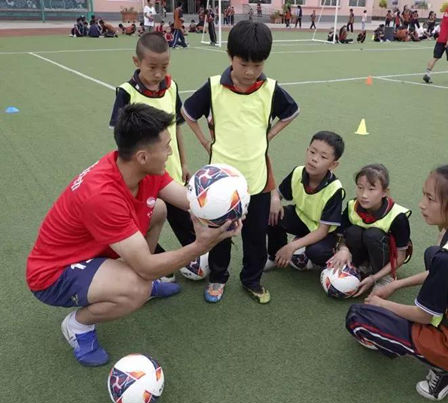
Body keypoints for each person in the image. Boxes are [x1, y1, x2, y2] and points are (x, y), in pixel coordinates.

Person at [26, 104, 241, 366]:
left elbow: (189, 200)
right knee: (138, 287)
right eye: (166, 146)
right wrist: (200, 246)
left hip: (91, 252)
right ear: (142, 156)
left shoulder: (135, 166)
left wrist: (225, 214)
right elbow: (149, 268)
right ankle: (78, 325)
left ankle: (127, 279)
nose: (170, 151)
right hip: (53, 273)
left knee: (158, 209)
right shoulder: (102, 196)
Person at [346, 164, 448, 401]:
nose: (421, 204)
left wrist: (380, 304)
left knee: (358, 317)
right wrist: (395, 285)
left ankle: (447, 369)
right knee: (432, 253)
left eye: (430, 198)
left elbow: (423, 315)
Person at [183, 21, 299, 304]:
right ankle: (218, 277)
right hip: (221, 185)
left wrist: (268, 135)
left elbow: (292, 112)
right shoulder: (213, 87)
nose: (249, 72)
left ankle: (251, 279)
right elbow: (187, 112)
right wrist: (204, 141)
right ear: (230, 56)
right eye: (243, 63)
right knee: (221, 235)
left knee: (256, 237)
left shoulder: (271, 89)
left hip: (257, 181)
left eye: (257, 65)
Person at [109, 32, 194, 283]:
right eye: (152, 67)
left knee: (185, 223)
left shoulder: (172, 86)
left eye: (164, 67)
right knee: (142, 225)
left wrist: (185, 162)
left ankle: (196, 258)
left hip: (172, 174)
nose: (158, 74)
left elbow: (176, 127)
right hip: (143, 178)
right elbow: (122, 139)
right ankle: (151, 265)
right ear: (137, 62)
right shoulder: (126, 93)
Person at [328, 164, 412, 296]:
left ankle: (385, 277)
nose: (364, 195)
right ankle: (362, 266)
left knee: (372, 234)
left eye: (371, 189)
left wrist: (375, 277)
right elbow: (340, 235)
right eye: (360, 188)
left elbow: (400, 257)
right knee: (353, 231)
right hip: (362, 251)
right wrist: (343, 249)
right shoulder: (352, 206)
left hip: (385, 257)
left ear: (385, 192)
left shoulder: (398, 216)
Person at [266, 132, 345, 271]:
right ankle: (275, 256)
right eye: (312, 152)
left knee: (316, 252)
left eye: (323, 156)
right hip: (301, 218)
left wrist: (292, 246)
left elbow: (322, 231)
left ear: (333, 165)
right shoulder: (298, 172)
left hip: (324, 232)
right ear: (306, 150)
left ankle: (314, 252)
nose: (314, 159)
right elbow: (277, 194)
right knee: (270, 212)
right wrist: (274, 198)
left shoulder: (335, 189)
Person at [423, 0, 448, 84]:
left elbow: (443, 24)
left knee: (435, 57)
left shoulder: (447, 9)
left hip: (441, 37)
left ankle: (427, 73)